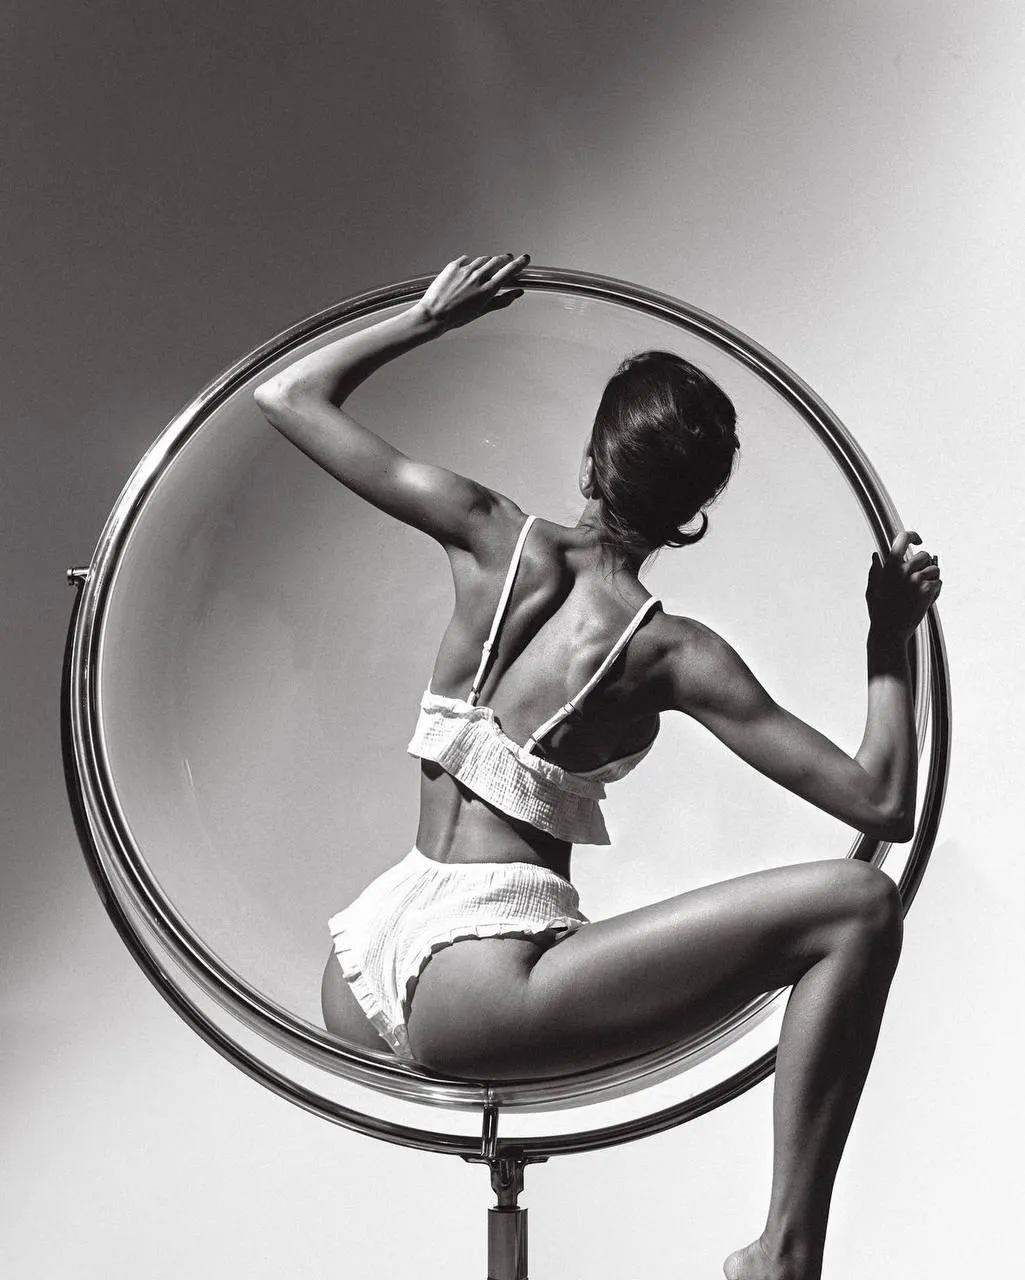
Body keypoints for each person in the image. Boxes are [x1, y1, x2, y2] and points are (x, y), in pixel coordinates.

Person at [254, 253, 942, 1280]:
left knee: (845, 905)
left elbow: (287, 393)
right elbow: (882, 803)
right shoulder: (668, 651)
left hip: (363, 959)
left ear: (590, 460)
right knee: (856, 908)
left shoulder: (489, 533)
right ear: (690, 513)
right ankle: (783, 1249)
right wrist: (886, 638)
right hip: (480, 980)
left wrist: (428, 317)